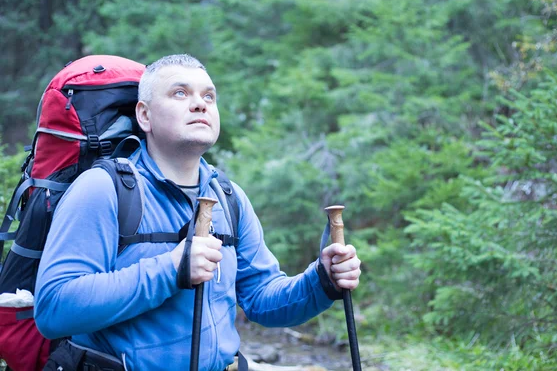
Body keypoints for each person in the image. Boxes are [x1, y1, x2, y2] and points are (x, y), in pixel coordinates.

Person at [34, 54, 362, 371]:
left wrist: (322, 281)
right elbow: (54, 309)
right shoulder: (104, 189)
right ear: (144, 115)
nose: (200, 103)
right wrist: (172, 269)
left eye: (209, 96)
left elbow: (262, 299)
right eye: (180, 93)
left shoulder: (228, 198)